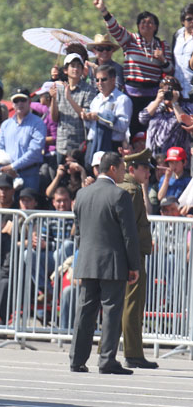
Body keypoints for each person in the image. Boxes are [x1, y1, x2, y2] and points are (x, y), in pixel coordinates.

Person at [69, 152, 140, 374]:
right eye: (121, 168)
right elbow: (129, 235)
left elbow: (78, 232)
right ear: (112, 169)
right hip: (112, 262)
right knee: (111, 311)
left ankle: (76, 359)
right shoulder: (120, 196)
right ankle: (107, 359)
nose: (124, 172)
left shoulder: (81, 194)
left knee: (85, 312)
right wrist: (134, 265)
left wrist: (81, 258)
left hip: (88, 261)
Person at [94, 0, 173, 137]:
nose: (146, 25)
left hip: (153, 96)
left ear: (155, 27)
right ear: (138, 25)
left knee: (151, 131)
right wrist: (104, 11)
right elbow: (115, 29)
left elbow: (170, 70)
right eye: (143, 22)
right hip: (132, 95)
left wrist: (162, 59)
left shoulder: (162, 45)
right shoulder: (131, 40)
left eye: (150, 23)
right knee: (133, 132)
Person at [118, 149, 157, 369]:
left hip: (127, 254)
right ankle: (133, 353)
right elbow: (130, 230)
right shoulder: (131, 191)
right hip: (132, 255)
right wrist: (133, 260)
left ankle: (113, 350)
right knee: (132, 305)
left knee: (122, 304)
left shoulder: (124, 188)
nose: (148, 173)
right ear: (132, 169)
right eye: (144, 169)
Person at [0, 88, 46, 190]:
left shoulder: (37, 123)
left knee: (27, 205)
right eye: (16, 101)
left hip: (29, 175)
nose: (19, 103)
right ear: (12, 104)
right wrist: (3, 168)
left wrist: (13, 166)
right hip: (7, 176)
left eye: (23, 100)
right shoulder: (6, 125)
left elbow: (35, 152)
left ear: (29, 102)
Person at [50, 53, 96, 164]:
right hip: (62, 143)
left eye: (78, 66)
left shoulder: (88, 90)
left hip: (79, 143)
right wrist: (53, 99)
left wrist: (69, 98)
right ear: (66, 70)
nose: (75, 69)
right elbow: (55, 118)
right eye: (72, 66)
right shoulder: (59, 89)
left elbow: (85, 115)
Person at [83, 64, 132, 164]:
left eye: (103, 79)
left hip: (111, 145)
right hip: (93, 144)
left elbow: (123, 126)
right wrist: (86, 118)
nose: (100, 83)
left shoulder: (122, 100)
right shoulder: (96, 100)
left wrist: (100, 117)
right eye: (97, 80)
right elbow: (90, 126)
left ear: (113, 80)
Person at [140, 76, 193, 157]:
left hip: (175, 159)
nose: (167, 92)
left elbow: (185, 123)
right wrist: (157, 100)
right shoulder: (155, 106)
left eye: (171, 89)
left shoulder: (186, 107)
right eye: (164, 89)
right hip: (153, 157)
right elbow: (142, 119)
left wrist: (174, 103)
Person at [172, 4, 193, 101]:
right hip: (178, 92)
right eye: (189, 19)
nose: (192, 22)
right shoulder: (177, 35)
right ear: (182, 21)